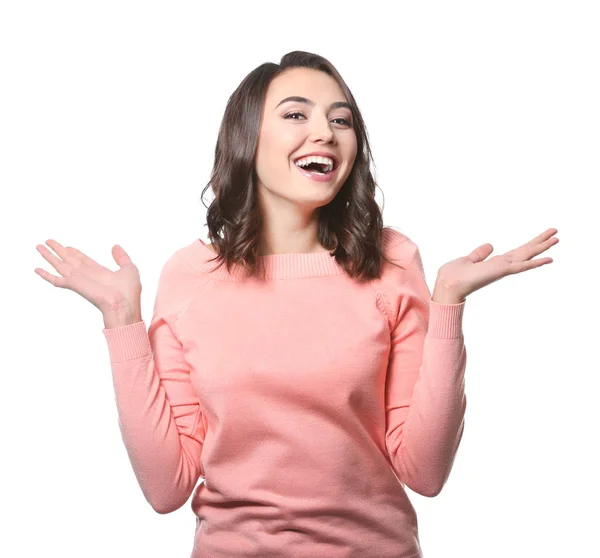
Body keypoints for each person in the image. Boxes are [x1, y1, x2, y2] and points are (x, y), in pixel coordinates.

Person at [34, 50, 558, 558]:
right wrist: (122, 320)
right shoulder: (191, 277)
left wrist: (447, 304)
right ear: (248, 139)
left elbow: (425, 471)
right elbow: (166, 486)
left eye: (341, 119)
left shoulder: (393, 262)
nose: (325, 133)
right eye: (295, 114)